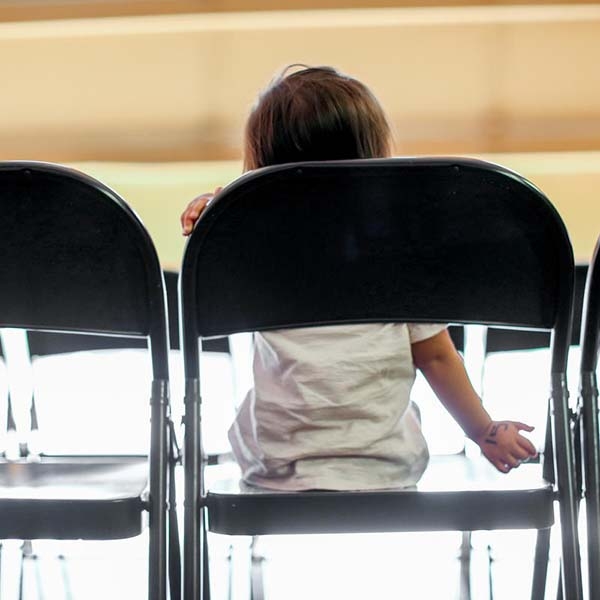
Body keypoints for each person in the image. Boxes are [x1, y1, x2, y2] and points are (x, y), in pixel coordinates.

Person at [180, 65, 537, 491]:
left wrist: (218, 212)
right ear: (373, 159)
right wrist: (483, 431)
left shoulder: (255, 250)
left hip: (276, 469)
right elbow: (437, 358)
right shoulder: (403, 251)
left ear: (262, 165)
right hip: (388, 465)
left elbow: (212, 256)